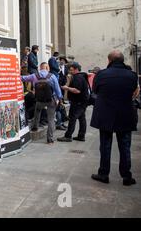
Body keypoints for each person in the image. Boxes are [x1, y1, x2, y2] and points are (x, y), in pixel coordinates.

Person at [90, 51, 138, 186]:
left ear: (109, 60)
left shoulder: (101, 74)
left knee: (105, 146)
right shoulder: (132, 75)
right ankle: (127, 176)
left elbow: (95, 91)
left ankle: (104, 174)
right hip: (126, 114)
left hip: (106, 115)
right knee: (125, 146)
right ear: (122, 60)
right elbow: (133, 91)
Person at [21, 62, 63, 144]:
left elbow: (23, 78)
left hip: (39, 100)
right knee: (51, 119)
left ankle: (35, 127)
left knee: (37, 111)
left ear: (40, 68)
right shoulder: (52, 76)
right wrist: (60, 100)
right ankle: (49, 139)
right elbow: (57, 90)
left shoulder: (34, 75)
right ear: (47, 68)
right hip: (51, 100)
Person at [57, 62, 90, 142]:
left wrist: (66, 88)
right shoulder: (81, 76)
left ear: (76, 69)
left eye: (71, 70)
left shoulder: (77, 77)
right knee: (82, 118)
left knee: (72, 118)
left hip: (78, 102)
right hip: (82, 101)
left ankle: (68, 136)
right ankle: (81, 136)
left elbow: (77, 90)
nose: (69, 71)